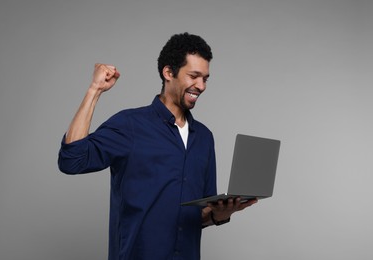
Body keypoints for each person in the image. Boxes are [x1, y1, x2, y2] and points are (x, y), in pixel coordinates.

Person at [58, 32, 257, 260]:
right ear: (168, 72)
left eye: (205, 78)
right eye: (194, 76)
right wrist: (94, 91)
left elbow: (196, 216)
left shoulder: (204, 138)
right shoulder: (130, 125)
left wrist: (220, 214)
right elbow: (71, 160)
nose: (201, 86)